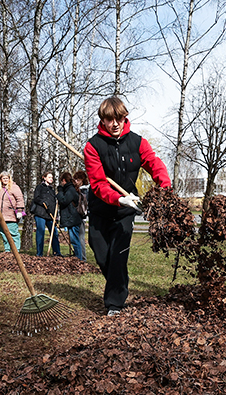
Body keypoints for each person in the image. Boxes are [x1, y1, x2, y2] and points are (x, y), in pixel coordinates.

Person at [83, 96, 171, 315]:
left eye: (119, 118)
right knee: (102, 255)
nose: (115, 124)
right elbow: (98, 183)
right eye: (109, 119)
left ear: (125, 118)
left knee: (118, 254)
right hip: (101, 208)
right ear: (102, 120)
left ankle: (114, 304)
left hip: (126, 210)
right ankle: (119, 281)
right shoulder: (93, 147)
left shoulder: (138, 142)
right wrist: (118, 197)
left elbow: (154, 164)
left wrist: (165, 187)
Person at [30, 171, 61, 257]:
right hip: (40, 213)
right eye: (49, 177)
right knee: (41, 232)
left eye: (52, 177)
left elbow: (55, 203)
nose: (51, 179)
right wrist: (43, 202)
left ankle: (57, 252)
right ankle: (39, 253)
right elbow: (36, 198)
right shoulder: (40, 187)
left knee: (54, 232)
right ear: (44, 177)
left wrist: (56, 216)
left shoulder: (52, 190)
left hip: (50, 215)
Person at [0, 171, 25, 252]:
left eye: (7, 178)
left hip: (10, 215)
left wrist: (19, 210)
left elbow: (20, 199)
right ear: (0, 179)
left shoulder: (14, 188)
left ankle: (16, 250)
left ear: (9, 179)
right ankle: (7, 250)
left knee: (13, 233)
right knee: (4, 234)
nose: (5, 179)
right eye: (3, 178)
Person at [57, 171, 84, 261]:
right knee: (74, 239)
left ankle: (79, 259)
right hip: (72, 218)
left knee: (74, 240)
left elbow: (64, 201)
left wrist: (60, 191)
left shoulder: (70, 190)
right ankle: (77, 257)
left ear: (64, 180)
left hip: (73, 218)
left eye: (62, 182)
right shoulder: (71, 189)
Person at [73, 170, 89, 250]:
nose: (76, 181)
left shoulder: (84, 190)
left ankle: (82, 257)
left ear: (82, 181)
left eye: (78, 180)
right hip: (81, 215)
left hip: (81, 215)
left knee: (80, 237)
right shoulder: (82, 190)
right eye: (75, 179)